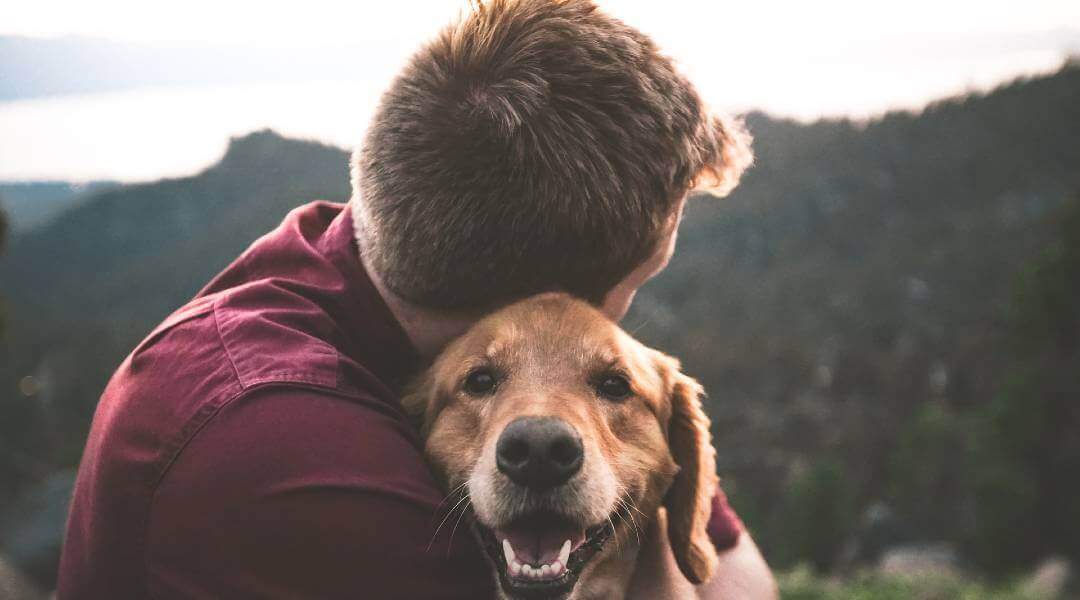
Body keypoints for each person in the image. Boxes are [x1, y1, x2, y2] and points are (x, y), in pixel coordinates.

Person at [58, 0, 776, 597]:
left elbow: (739, 576)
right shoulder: (296, 457)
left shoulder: (340, 254)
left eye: (607, 374)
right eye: (638, 282)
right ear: (546, 301)